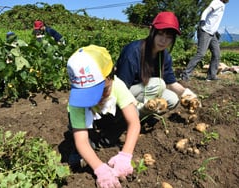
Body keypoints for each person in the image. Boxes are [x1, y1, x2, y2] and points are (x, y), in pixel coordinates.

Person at [67, 44, 141, 188]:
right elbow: (80, 139)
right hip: (88, 123)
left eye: (103, 90)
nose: (97, 98)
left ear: (112, 76)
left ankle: (104, 140)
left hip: (108, 119)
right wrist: (99, 168)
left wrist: (125, 155)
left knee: (134, 112)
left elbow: (134, 122)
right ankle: (92, 141)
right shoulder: (76, 101)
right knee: (77, 156)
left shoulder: (118, 85)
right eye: (89, 94)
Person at [115, 11, 199, 120]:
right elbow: (120, 87)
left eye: (169, 37)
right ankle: (129, 116)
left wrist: (187, 93)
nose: (163, 40)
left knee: (172, 99)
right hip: (122, 93)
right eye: (160, 34)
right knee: (158, 84)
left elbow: (172, 83)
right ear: (151, 30)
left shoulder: (164, 55)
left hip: (143, 93)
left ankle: (142, 114)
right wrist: (136, 104)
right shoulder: (133, 52)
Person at [181, 0, 229, 81]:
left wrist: (215, 30)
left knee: (217, 54)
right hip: (205, 31)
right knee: (201, 54)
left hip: (212, 33)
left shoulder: (223, 5)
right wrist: (202, 20)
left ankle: (211, 76)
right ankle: (185, 74)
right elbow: (206, 11)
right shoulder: (216, 1)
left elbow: (213, 20)